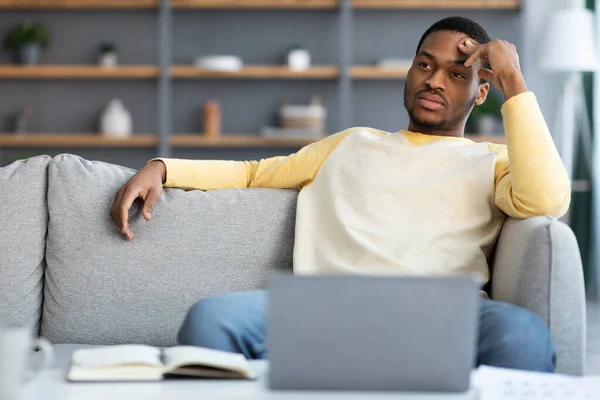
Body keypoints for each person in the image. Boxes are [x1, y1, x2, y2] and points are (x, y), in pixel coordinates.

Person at [110, 17, 570, 372]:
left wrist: (515, 80)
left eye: (456, 73)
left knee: (524, 335)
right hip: (324, 310)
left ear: (482, 91)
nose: (434, 81)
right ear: (409, 72)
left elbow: (546, 200)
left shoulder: (492, 161)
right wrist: (163, 167)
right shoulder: (350, 143)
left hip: (445, 313)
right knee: (210, 320)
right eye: (425, 65)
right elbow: (253, 173)